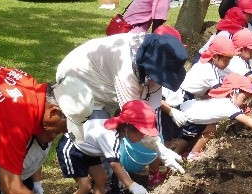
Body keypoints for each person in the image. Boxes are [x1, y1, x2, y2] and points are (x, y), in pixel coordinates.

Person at [55, 33, 188, 174]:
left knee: (116, 130)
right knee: (100, 133)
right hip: (78, 79)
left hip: (102, 77)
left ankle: (110, 176)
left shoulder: (153, 55)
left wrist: (159, 145)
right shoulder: (126, 69)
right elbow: (134, 116)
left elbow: (147, 111)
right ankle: (104, 179)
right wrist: (160, 149)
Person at [173, 73, 252, 159]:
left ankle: (188, 151)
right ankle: (187, 154)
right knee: (202, 132)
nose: (244, 103)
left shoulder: (218, 97)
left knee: (211, 127)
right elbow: (247, 121)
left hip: (185, 113)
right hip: (185, 121)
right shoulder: (227, 106)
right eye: (244, 99)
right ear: (232, 93)